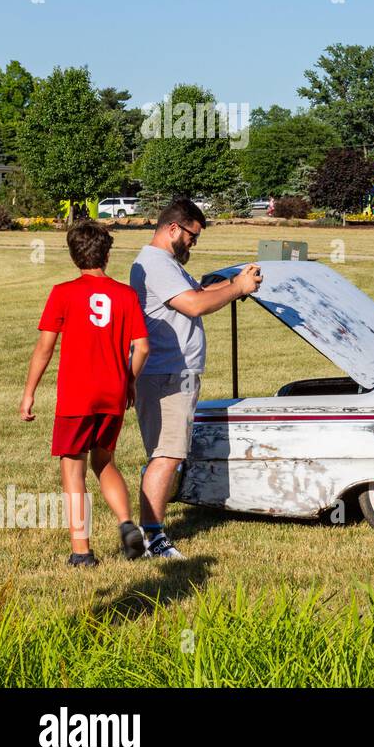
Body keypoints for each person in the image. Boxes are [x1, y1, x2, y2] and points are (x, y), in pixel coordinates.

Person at [129, 199, 263, 559]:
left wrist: (234, 283)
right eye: (192, 235)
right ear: (174, 228)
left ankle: (149, 532)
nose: (193, 243)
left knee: (169, 453)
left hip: (175, 372)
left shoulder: (165, 263)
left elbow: (200, 294)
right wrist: (238, 289)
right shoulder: (155, 264)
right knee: (166, 454)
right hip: (166, 373)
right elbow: (193, 305)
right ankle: (152, 538)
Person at [20, 221, 150, 567]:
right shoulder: (126, 295)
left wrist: (29, 392)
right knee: (105, 460)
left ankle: (82, 552)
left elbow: (45, 348)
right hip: (112, 394)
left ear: (74, 256)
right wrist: (129, 381)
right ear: (107, 254)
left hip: (77, 396)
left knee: (73, 468)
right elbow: (142, 347)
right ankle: (126, 522)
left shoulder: (63, 292)